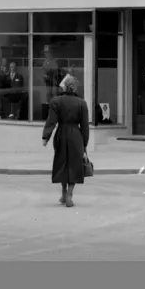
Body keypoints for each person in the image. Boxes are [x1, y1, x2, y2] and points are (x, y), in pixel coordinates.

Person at [42, 74, 91, 207]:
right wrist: (84, 144)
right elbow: (85, 126)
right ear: (74, 88)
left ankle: (63, 194)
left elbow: (51, 121)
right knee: (74, 165)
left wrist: (46, 136)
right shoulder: (82, 103)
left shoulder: (56, 101)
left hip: (61, 133)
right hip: (76, 135)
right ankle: (70, 194)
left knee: (62, 163)